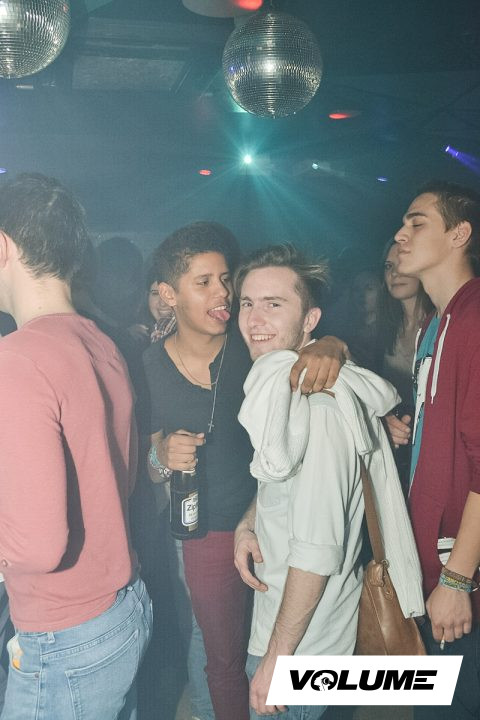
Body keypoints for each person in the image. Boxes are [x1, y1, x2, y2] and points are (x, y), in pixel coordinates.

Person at [143, 222, 348, 720]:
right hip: (205, 529)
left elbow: (305, 341)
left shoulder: (250, 343)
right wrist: (162, 457)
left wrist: (333, 345)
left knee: (274, 646)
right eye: (204, 282)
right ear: (169, 294)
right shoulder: (148, 365)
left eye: (225, 279)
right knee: (221, 652)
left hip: (272, 523)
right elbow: (148, 469)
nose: (224, 294)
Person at [233, 244, 424, 719]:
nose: (254, 318)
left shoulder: (318, 409)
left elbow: (316, 552)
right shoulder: (287, 395)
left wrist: (276, 661)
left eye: (274, 304)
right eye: (247, 303)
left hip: (301, 649)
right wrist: (249, 522)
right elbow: (285, 484)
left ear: (310, 319)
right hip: (302, 633)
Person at [0, 173, 152, 720]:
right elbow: (120, 479)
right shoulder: (99, 340)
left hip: (66, 634)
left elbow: (39, 547)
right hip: (120, 608)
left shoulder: (17, 358)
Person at [392, 181, 480, 719]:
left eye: (417, 222)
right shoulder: (437, 322)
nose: (400, 234)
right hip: (433, 563)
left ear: (459, 234)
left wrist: (456, 578)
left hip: (459, 573)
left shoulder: (474, 318)